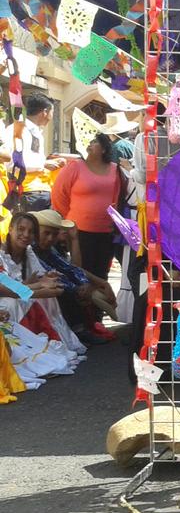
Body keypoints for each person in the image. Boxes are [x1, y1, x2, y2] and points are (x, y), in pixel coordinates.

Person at [0, 213, 86, 355]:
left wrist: (47, 279)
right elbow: (4, 288)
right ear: (10, 229)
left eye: (31, 232)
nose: (25, 235)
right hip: (6, 299)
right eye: (21, 229)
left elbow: (38, 276)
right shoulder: (1, 255)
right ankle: (25, 350)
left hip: (17, 293)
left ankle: (51, 341)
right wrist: (38, 288)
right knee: (13, 303)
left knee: (49, 296)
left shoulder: (28, 251)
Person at [31, 209, 118, 345]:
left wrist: (85, 284)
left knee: (71, 286)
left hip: (33, 287)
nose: (50, 239)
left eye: (54, 234)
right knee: (63, 289)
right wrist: (79, 289)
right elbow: (45, 272)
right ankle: (78, 331)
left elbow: (70, 268)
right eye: (46, 233)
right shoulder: (31, 249)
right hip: (30, 289)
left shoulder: (49, 249)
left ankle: (81, 329)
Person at [51, 133, 125, 284]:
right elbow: (59, 195)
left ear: (104, 149)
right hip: (78, 232)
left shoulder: (115, 169)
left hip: (106, 231)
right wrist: (67, 220)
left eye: (94, 142)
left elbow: (119, 196)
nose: (89, 145)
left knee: (101, 271)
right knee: (80, 271)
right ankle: (81, 306)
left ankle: (97, 306)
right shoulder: (75, 167)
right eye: (89, 142)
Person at [1, 93, 66, 211]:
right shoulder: (18, 130)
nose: (51, 117)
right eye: (52, 112)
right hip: (27, 192)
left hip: (40, 191)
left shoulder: (35, 132)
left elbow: (29, 158)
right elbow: (12, 163)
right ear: (45, 112)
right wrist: (43, 164)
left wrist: (49, 162)